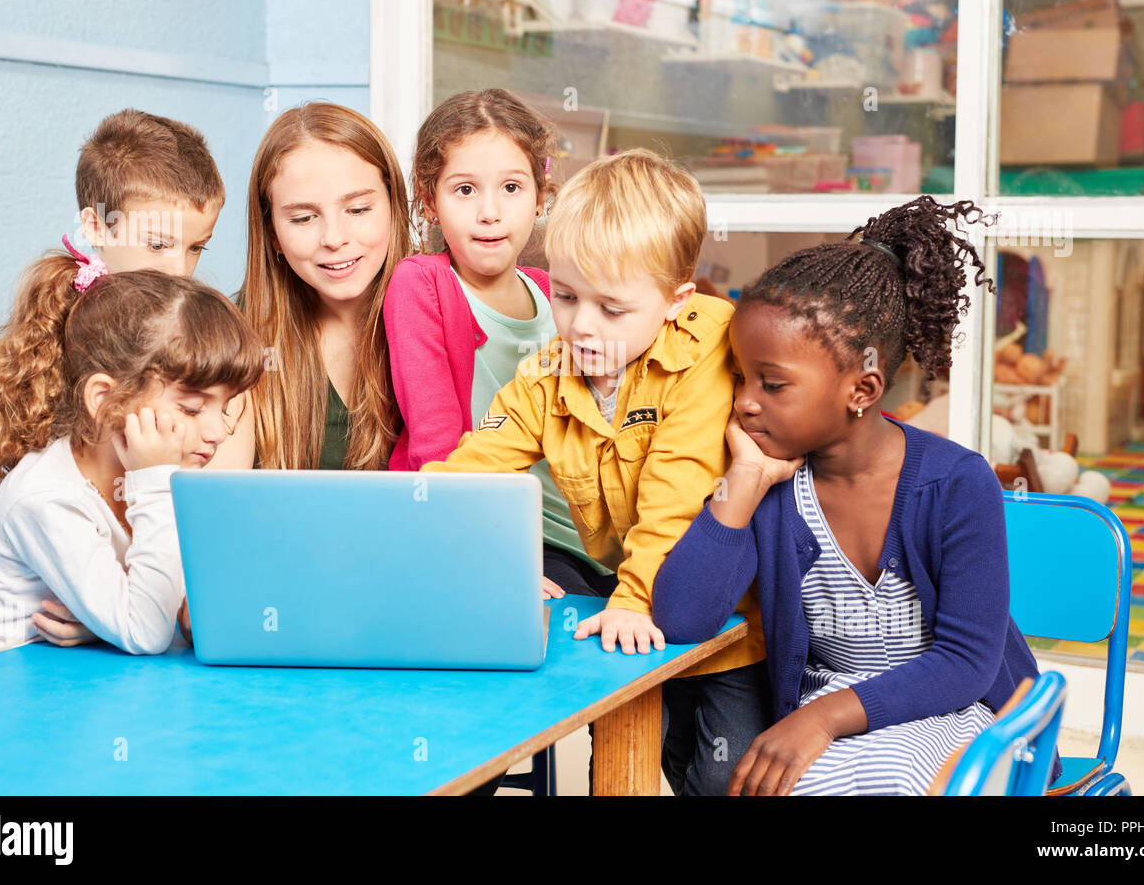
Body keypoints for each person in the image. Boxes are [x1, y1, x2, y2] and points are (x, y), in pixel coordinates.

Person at [654, 196, 1056, 795]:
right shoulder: (772, 485)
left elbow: (966, 664)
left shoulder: (955, 483)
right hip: (826, 718)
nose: (745, 401)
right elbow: (682, 619)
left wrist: (822, 718)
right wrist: (740, 486)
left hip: (961, 712)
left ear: (861, 388)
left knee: (893, 779)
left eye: (773, 382)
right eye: (740, 376)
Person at [424, 149, 769, 795]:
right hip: (631, 611)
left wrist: (637, 597)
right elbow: (474, 470)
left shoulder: (706, 353)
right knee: (637, 757)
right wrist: (472, 548)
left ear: (677, 300)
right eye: (565, 295)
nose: (581, 325)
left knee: (725, 775)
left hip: (728, 626)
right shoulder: (547, 375)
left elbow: (677, 487)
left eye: (611, 309)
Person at [0, 253, 263, 663]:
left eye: (224, 409)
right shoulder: (46, 498)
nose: (219, 432)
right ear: (104, 400)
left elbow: (194, 617)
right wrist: (127, 621)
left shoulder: (166, 478)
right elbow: (147, 633)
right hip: (8, 704)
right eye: (191, 408)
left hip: (87, 689)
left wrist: (107, 624)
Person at [384, 89, 598, 592]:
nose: (489, 212)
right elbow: (434, 445)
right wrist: (490, 553)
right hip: (497, 532)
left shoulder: (553, 293)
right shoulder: (423, 284)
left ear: (541, 196)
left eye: (511, 187)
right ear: (428, 199)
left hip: (593, 537)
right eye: (464, 190)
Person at [211, 102, 414, 471]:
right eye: (303, 218)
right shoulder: (232, 334)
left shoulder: (449, 307)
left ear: (394, 205)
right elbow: (220, 505)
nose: (334, 238)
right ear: (272, 232)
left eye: (358, 210)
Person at [75, 108, 225, 277]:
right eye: (157, 246)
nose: (181, 272)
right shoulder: (61, 302)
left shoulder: (193, 303)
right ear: (97, 228)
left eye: (195, 248)